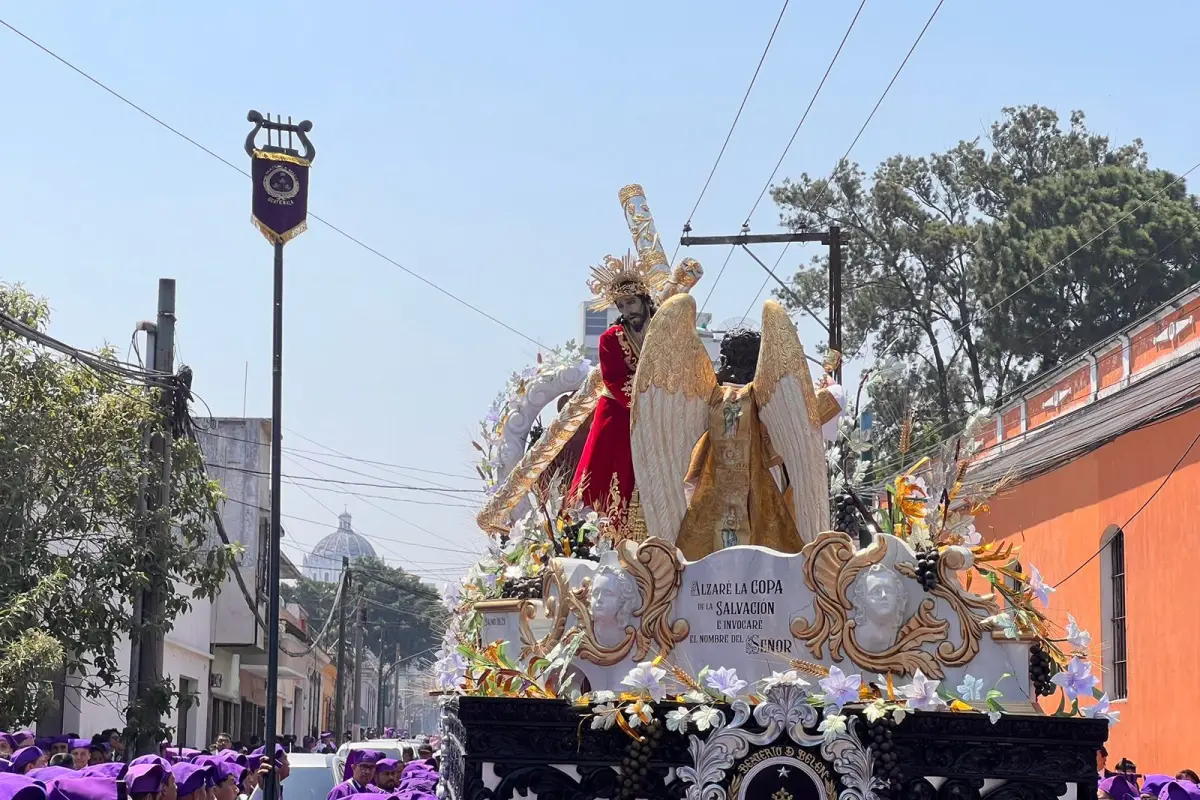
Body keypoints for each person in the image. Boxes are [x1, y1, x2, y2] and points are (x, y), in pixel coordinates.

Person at [569, 253, 666, 522]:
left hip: (659, 412)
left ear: (645, 300)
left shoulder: (663, 333)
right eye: (621, 305)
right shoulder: (610, 339)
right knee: (609, 473)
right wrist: (644, 403)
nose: (627, 310)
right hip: (619, 414)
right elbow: (614, 378)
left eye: (632, 302)